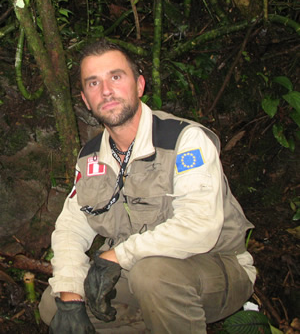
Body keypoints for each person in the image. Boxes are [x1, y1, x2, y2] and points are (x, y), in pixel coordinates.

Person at [39, 38, 256, 334]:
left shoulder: (183, 140)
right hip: (135, 272)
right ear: (86, 100)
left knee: (152, 275)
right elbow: (70, 228)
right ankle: (149, 321)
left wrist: (118, 255)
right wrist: (69, 292)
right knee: (54, 307)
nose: (106, 91)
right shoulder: (90, 158)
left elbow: (200, 226)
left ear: (139, 86)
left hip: (216, 265)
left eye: (116, 77)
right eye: (93, 83)